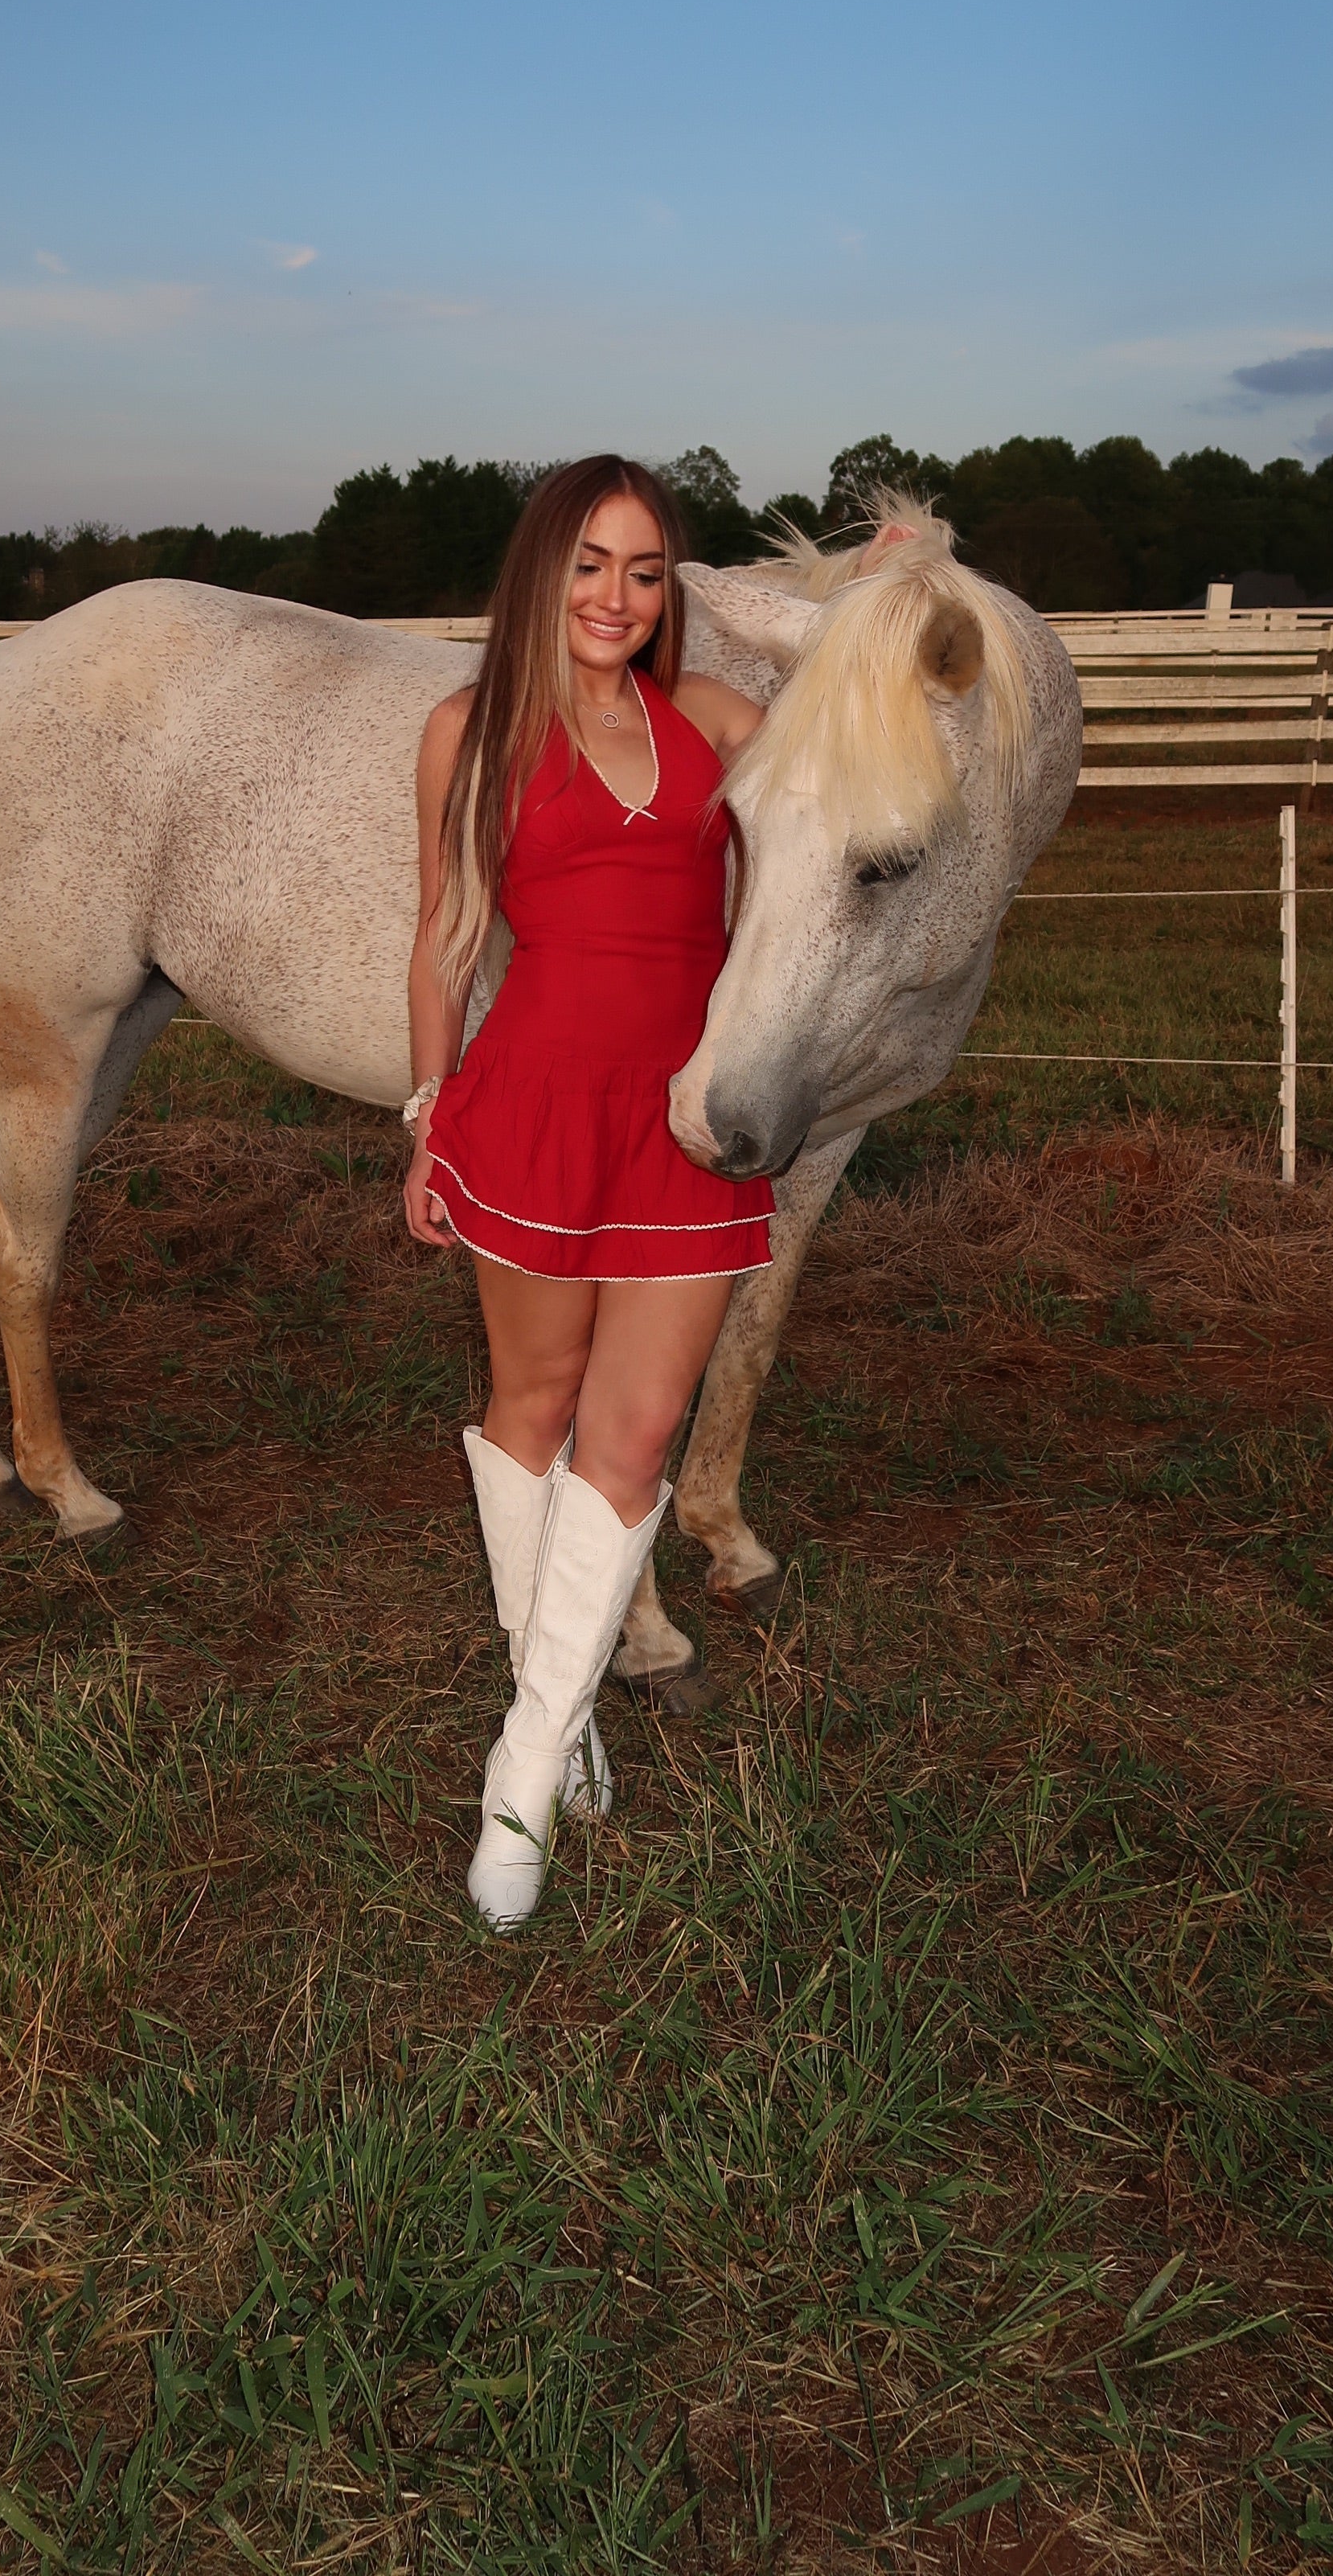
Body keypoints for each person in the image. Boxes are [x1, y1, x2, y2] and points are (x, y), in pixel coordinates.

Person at [403, 453, 773, 1929]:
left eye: (646, 571)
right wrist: (426, 1120)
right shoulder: (466, 732)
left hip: (684, 1123)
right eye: (591, 567)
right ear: (541, 574)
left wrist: (879, 589)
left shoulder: (724, 725)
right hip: (533, 1107)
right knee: (533, 1412)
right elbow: (440, 938)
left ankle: (526, 1760)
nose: (618, 598)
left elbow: (876, 738)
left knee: (632, 1436)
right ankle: (560, 1703)